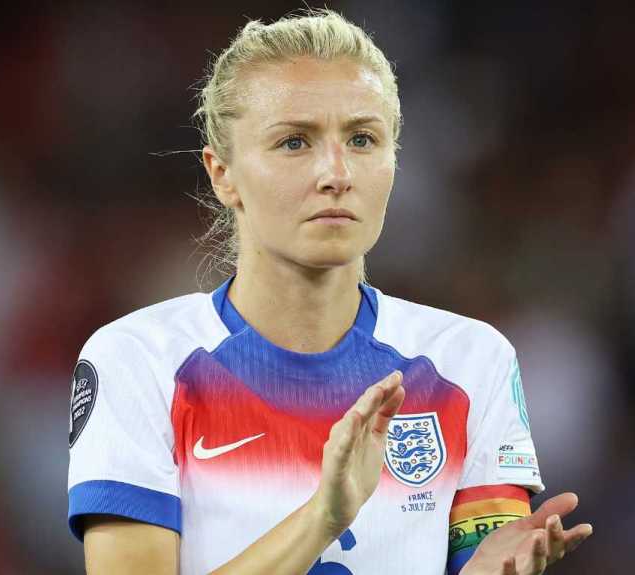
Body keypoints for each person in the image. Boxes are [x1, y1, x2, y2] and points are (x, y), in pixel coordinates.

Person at [66, 9, 592, 575]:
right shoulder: (139, 361)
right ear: (223, 174)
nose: (336, 174)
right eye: (294, 142)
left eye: (363, 139)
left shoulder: (470, 362)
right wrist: (324, 516)